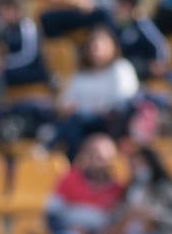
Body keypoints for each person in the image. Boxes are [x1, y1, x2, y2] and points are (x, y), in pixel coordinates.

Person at [44, 133, 126, 234]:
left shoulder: (117, 189)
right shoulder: (68, 180)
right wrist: (72, 230)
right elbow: (51, 217)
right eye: (94, 155)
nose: (99, 162)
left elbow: (117, 222)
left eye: (103, 157)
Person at [51, 26, 141, 158]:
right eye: (93, 44)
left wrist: (100, 108)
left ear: (113, 46)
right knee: (70, 125)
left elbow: (124, 99)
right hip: (82, 123)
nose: (96, 48)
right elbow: (65, 103)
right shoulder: (80, 75)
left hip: (110, 124)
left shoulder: (121, 68)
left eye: (101, 43)